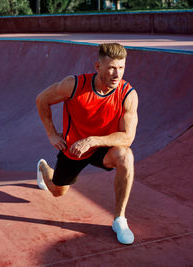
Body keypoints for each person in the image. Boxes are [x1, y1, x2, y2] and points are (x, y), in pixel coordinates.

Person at [35, 43, 138, 245]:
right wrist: (52, 134)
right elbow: (42, 99)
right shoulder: (74, 85)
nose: (117, 74)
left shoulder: (128, 94)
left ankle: (120, 219)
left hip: (102, 148)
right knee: (58, 192)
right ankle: (43, 168)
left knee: (126, 156)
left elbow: (127, 137)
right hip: (73, 149)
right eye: (111, 68)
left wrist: (93, 140)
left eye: (121, 68)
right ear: (97, 67)